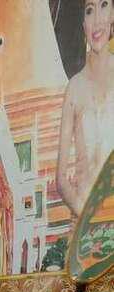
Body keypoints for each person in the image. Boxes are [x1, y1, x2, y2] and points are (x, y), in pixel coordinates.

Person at [55, 0, 113, 217]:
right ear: (83, 25)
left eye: (104, 5)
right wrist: (89, 220)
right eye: (89, 11)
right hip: (86, 219)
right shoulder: (74, 88)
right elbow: (61, 180)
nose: (97, 20)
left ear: (113, 14)